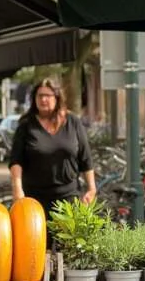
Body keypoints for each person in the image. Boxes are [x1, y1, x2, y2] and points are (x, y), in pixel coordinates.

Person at [8, 78, 96, 216]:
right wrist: (17, 190)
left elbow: (85, 158)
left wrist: (91, 188)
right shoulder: (26, 125)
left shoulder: (72, 122)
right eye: (40, 96)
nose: (43, 99)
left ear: (57, 98)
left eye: (48, 96)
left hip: (68, 199)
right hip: (35, 200)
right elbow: (16, 161)